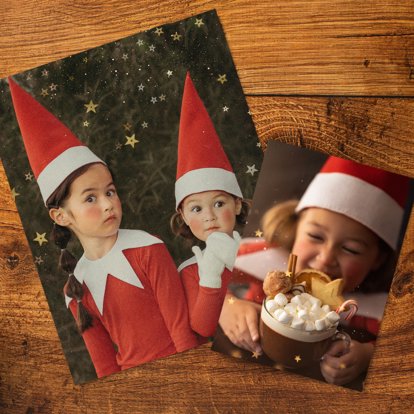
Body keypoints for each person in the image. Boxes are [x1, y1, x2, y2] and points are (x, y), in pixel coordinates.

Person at [9, 77, 198, 378]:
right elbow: (105, 366)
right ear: (61, 217)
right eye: (91, 198)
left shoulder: (146, 248)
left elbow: (182, 332)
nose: (109, 203)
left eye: (110, 191)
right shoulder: (75, 288)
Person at [218, 155, 410, 385]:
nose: (325, 258)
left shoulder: (378, 308)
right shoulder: (265, 259)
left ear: (378, 259)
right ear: (295, 227)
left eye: (351, 249)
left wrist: (368, 355)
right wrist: (226, 307)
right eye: (315, 236)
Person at [170, 73, 249, 341]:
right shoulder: (191, 270)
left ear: (237, 204)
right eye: (196, 209)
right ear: (182, 215)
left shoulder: (256, 248)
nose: (210, 217)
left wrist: (243, 260)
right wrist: (211, 279)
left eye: (218, 203)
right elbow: (202, 328)